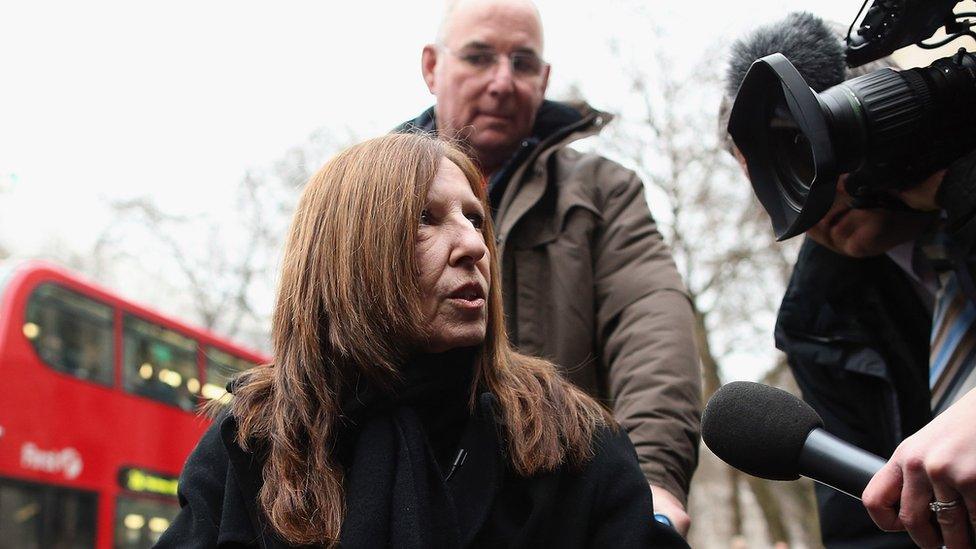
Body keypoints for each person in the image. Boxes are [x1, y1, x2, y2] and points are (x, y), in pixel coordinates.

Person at [155, 133, 688, 548]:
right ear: (348, 256)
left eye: (476, 220)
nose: (472, 245)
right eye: (425, 219)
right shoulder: (255, 441)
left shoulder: (570, 440)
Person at [397, 0, 700, 533]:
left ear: (545, 79)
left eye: (523, 63)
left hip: (561, 501)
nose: (502, 81)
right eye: (479, 56)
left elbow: (650, 323)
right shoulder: (372, 200)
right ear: (431, 66)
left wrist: (652, 479)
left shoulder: (603, 192)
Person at [723, 12, 976, 548]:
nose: (805, 206)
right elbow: (863, 531)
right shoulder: (816, 322)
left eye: (802, 149)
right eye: (773, 183)